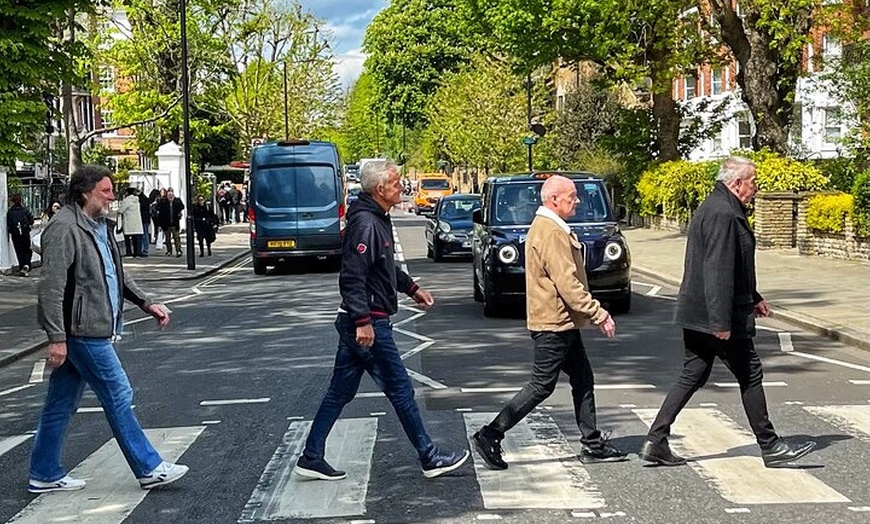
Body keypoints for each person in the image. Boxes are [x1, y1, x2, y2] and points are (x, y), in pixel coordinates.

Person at [294, 159, 469, 481]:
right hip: (369, 323)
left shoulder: (377, 218)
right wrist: (363, 322)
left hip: (361, 319)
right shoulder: (366, 224)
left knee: (339, 392)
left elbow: (382, 268)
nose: (402, 187)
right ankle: (429, 457)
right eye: (396, 182)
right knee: (401, 389)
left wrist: (411, 287)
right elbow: (352, 277)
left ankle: (311, 455)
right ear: (379, 189)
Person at [639, 157, 816, 469]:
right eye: (753, 182)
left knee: (692, 374)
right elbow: (717, 269)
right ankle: (770, 445)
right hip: (716, 316)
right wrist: (720, 321)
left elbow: (732, 266)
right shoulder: (724, 213)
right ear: (737, 183)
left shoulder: (715, 206)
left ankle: (656, 440)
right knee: (750, 373)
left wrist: (754, 296)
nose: (756, 188)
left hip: (699, 311)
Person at [30, 164, 188, 494]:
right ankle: (148, 467)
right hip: (82, 331)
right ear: (86, 192)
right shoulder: (63, 229)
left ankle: (44, 473)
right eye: (106, 190)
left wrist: (147, 302)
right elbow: (51, 288)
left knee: (61, 404)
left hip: (91, 326)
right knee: (118, 393)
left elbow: (116, 273)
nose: (112, 196)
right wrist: (56, 338)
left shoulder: (100, 225)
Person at [472, 175, 625, 470]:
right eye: (571, 196)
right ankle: (491, 434)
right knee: (541, 385)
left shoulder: (546, 227)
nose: (577, 200)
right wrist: (598, 313)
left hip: (561, 321)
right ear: (554, 199)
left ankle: (592, 442)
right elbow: (567, 283)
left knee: (583, 379)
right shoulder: (551, 231)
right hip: (554, 322)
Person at [6, 194, 35, 277]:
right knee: (27, 249)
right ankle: (27, 265)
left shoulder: (10, 212)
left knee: (19, 251)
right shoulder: (24, 210)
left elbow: (8, 225)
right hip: (25, 233)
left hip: (16, 235)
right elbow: (31, 220)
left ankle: (22, 266)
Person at [156, 187, 184, 257]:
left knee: (176, 237)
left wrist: (179, 212)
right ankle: (169, 250)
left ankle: (178, 250)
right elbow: (158, 210)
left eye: (171, 195)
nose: (170, 196)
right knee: (167, 238)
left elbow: (182, 206)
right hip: (166, 223)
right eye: (169, 195)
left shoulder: (177, 201)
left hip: (175, 223)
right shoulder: (163, 202)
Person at [117, 187, 143, 258]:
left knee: (127, 239)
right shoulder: (137, 200)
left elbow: (121, 210)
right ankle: (136, 253)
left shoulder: (127, 200)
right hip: (136, 222)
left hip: (128, 221)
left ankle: (129, 253)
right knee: (135, 239)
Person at [137, 188, 151, 257]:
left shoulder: (139, 199)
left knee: (143, 234)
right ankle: (145, 248)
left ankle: (143, 248)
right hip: (146, 219)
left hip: (142, 219)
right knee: (145, 233)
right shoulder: (146, 199)